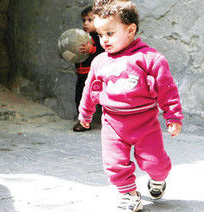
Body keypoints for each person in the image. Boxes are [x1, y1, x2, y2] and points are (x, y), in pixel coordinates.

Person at [78, 0, 184, 211]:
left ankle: (157, 179)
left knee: (156, 164)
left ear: (130, 29)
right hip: (112, 122)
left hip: (145, 123)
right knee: (114, 164)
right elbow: (90, 89)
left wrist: (172, 117)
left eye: (110, 33)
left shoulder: (150, 58)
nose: (104, 40)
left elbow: (167, 89)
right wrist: (85, 114)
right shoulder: (100, 61)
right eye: (100, 34)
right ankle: (129, 193)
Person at [73, 6, 105, 132]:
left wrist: (91, 49)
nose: (86, 23)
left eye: (90, 20)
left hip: (96, 77)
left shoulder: (100, 37)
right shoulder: (81, 37)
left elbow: (103, 51)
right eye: (84, 20)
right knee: (80, 99)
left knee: (104, 100)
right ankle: (83, 122)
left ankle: (111, 122)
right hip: (81, 76)